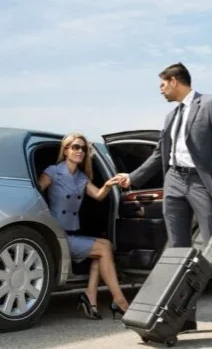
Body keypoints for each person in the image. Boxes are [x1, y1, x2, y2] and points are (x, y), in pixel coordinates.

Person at [116, 62, 212, 334]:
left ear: (175, 80)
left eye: (163, 84)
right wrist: (132, 178)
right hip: (174, 182)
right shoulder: (170, 116)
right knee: (177, 252)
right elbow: (158, 155)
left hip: (201, 184)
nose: (161, 90)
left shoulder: (211, 104)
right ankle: (185, 317)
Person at [38, 133, 130, 320]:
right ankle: (119, 300)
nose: (80, 151)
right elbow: (36, 194)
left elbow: (97, 195)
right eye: (75, 147)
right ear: (65, 150)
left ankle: (91, 296)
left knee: (105, 248)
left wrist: (108, 184)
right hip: (58, 236)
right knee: (104, 249)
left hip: (72, 233)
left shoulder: (81, 177)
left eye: (83, 148)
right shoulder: (53, 171)